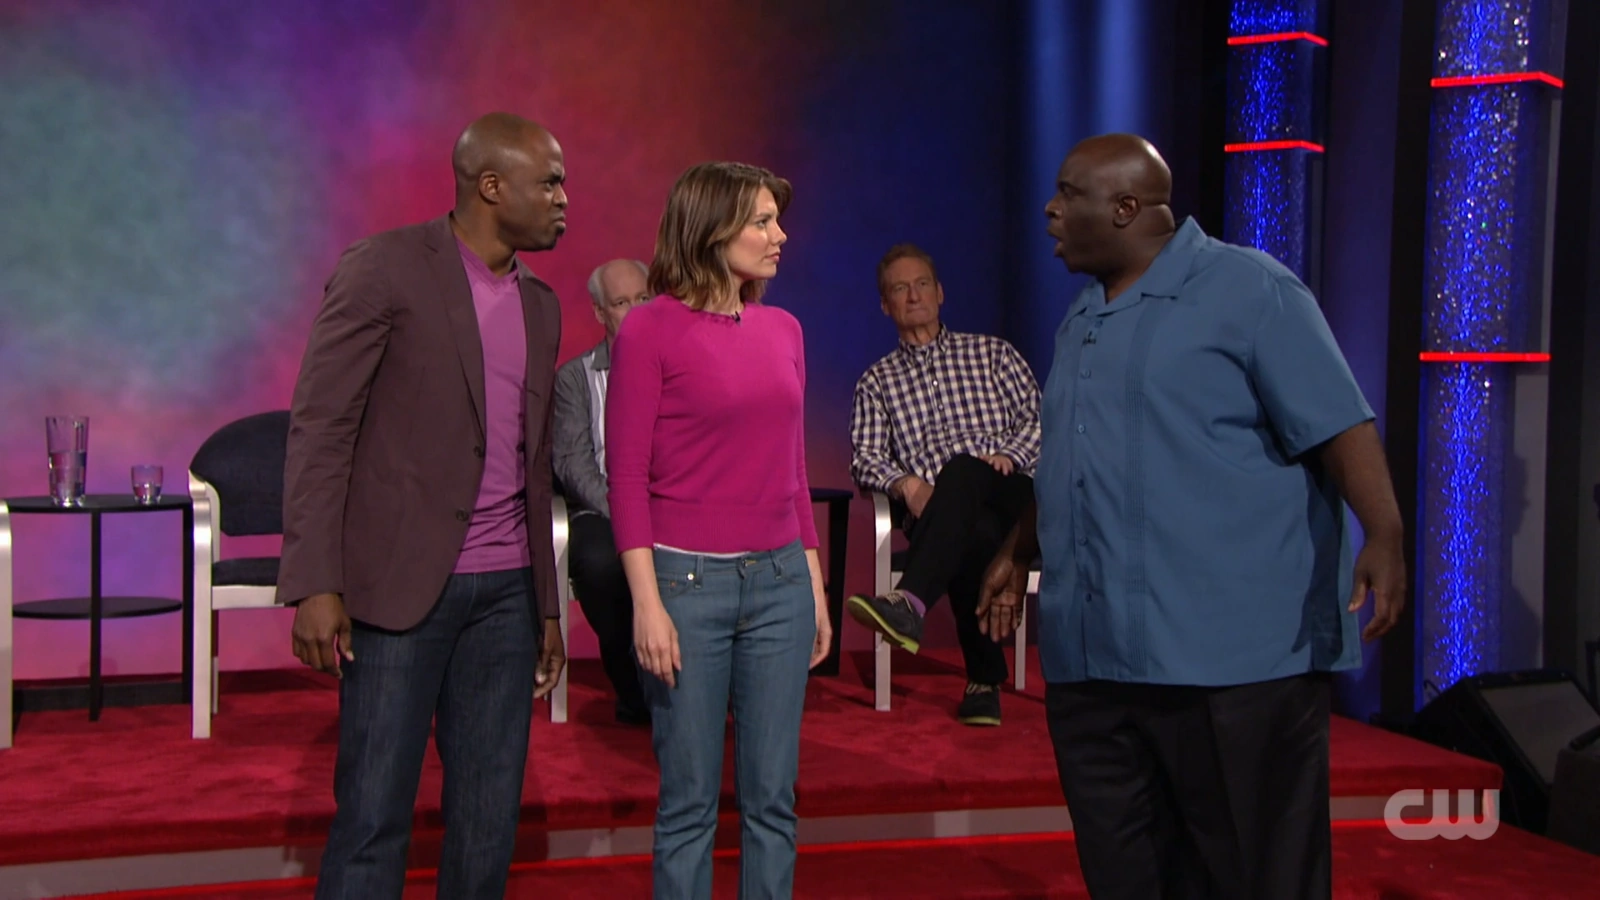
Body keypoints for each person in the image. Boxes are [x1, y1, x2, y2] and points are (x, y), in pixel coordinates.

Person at [978, 133, 1405, 900]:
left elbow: (1339, 423)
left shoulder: (1251, 290)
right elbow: (1078, 451)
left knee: (1258, 874)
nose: (1049, 209)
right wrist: (1021, 545)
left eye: (1068, 193)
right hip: (1096, 666)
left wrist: (1385, 532)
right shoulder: (1082, 317)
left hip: (1236, 667)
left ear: (1126, 207)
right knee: (1128, 875)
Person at [278, 112, 570, 900]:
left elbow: (534, 465)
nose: (562, 200)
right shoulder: (385, 269)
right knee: (374, 815)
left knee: (487, 820)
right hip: (399, 590)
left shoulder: (542, 306)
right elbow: (321, 429)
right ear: (491, 185)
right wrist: (315, 582)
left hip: (506, 596)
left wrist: (546, 604)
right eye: (548, 182)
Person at [606, 161, 832, 899]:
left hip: (780, 583)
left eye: (777, 219)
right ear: (711, 230)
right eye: (763, 221)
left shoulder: (785, 329)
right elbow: (626, 477)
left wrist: (814, 587)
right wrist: (646, 604)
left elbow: (793, 470)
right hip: (685, 586)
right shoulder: (649, 329)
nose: (781, 235)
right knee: (688, 805)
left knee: (773, 802)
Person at [845, 243, 1042, 726]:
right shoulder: (876, 382)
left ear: (940, 293)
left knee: (962, 470)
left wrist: (1009, 456)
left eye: (922, 285)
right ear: (885, 305)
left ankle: (910, 601)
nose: (913, 296)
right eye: (900, 289)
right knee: (968, 527)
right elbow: (865, 457)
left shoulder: (993, 354)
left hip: (1012, 495)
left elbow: (1039, 422)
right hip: (943, 514)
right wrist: (906, 484)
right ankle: (983, 680)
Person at [551, 258, 653, 724]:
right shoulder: (575, 378)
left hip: (667, 507)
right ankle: (634, 689)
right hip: (601, 509)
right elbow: (572, 465)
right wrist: (626, 510)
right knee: (600, 563)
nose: (636, 311)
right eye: (622, 303)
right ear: (600, 313)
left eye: (644, 298)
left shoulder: (678, 366)